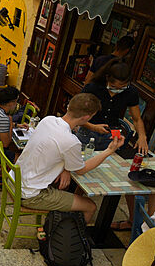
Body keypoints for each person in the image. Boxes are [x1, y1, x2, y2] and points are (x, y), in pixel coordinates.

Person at [17, 93, 125, 222]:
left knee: (67, 189)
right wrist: (109, 150)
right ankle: (71, 240)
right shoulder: (71, 141)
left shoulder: (48, 120)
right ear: (86, 117)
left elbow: (55, 150)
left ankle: (61, 226)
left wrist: (66, 169)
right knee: (90, 206)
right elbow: (81, 170)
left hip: (16, 181)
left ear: (69, 106)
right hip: (31, 195)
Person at [81, 59, 148, 155]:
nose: (117, 90)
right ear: (107, 78)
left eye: (122, 87)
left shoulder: (131, 92)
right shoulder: (93, 88)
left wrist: (142, 137)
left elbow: (137, 119)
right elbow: (75, 115)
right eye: (113, 86)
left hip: (111, 136)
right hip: (87, 132)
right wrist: (93, 127)